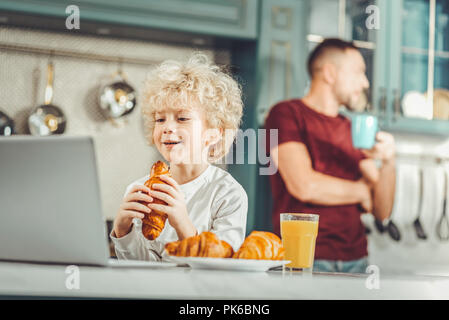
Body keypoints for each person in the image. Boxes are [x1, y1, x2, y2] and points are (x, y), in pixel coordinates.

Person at [264, 38, 396, 273]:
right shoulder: (285, 114)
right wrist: (362, 191)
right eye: (359, 72)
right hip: (304, 258)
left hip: (357, 260)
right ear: (330, 73)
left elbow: (381, 210)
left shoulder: (351, 127)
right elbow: (304, 186)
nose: (365, 82)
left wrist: (388, 162)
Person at [110, 53, 248, 261]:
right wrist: (122, 231)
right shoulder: (139, 190)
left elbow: (223, 266)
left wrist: (182, 224)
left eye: (182, 118)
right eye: (160, 119)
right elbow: (139, 267)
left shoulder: (228, 194)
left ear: (214, 132)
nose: (167, 128)